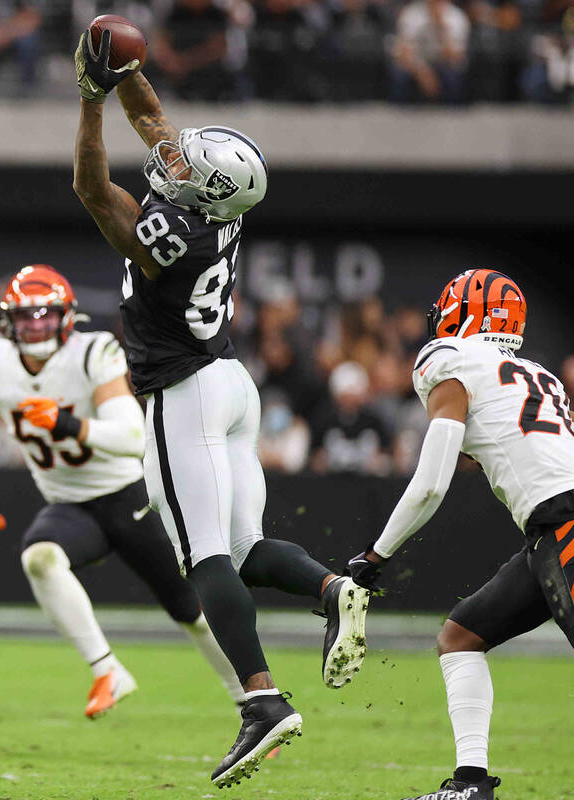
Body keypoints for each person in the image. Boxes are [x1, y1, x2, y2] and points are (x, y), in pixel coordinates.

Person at [71, 29, 370, 787]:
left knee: (202, 556)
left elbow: (92, 192)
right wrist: (124, 70)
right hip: (230, 384)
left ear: (203, 190)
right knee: (241, 551)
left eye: (186, 164)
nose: (174, 156)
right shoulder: (217, 206)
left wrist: (87, 100)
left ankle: (262, 701)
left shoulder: (172, 231)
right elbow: (157, 125)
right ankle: (334, 589)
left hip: (184, 393)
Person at [0, 265, 245, 718]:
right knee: (39, 557)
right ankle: (107, 670)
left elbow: (132, 436)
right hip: (71, 505)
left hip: (131, 497)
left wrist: (66, 422)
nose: (35, 326)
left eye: (44, 316)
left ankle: (250, 699)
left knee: (189, 609)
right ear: (8, 323)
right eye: (26, 318)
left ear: (66, 317)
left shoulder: (93, 352)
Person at [346, 270, 574, 800]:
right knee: (462, 636)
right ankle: (471, 784)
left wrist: (376, 554)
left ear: (465, 314)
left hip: (562, 521)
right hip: (547, 529)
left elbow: (431, 483)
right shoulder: (537, 372)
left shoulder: (452, 360)